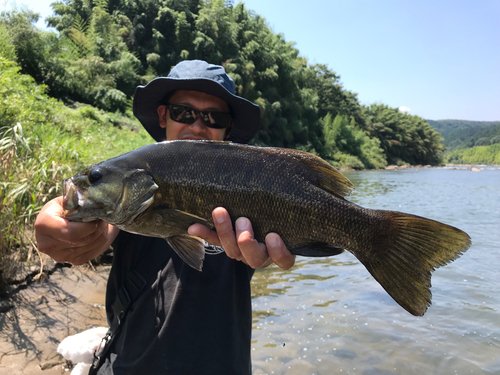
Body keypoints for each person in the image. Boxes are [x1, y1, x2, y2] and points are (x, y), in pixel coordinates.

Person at [35, 60, 296, 374]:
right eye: (183, 112)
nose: (198, 126)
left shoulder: (248, 182)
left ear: (228, 128)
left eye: (215, 117)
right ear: (163, 115)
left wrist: (268, 254)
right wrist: (60, 226)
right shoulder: (133, 179)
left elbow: (275, 242)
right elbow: (97, 228)